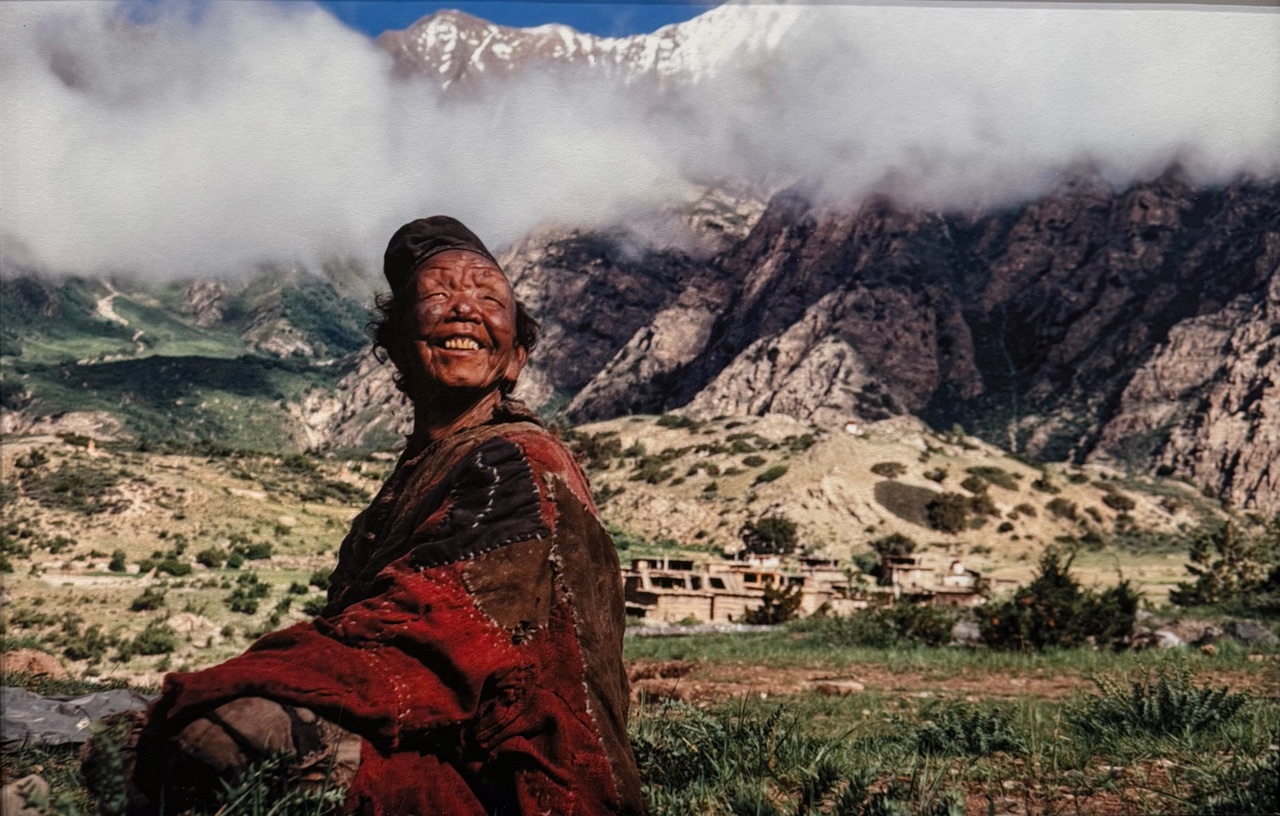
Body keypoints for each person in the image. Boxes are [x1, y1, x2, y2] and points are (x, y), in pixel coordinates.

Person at [88, 217, 644, 816]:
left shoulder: (518, 459)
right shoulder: (427, 468)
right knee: (136, 748)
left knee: (227, 730)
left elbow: (432, 641)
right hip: (431, 737)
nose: (464, 308)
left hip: (507, 781)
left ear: (515, 359)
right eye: (438, 294)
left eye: (490, 298)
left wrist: (242, 681)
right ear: (396, 344)